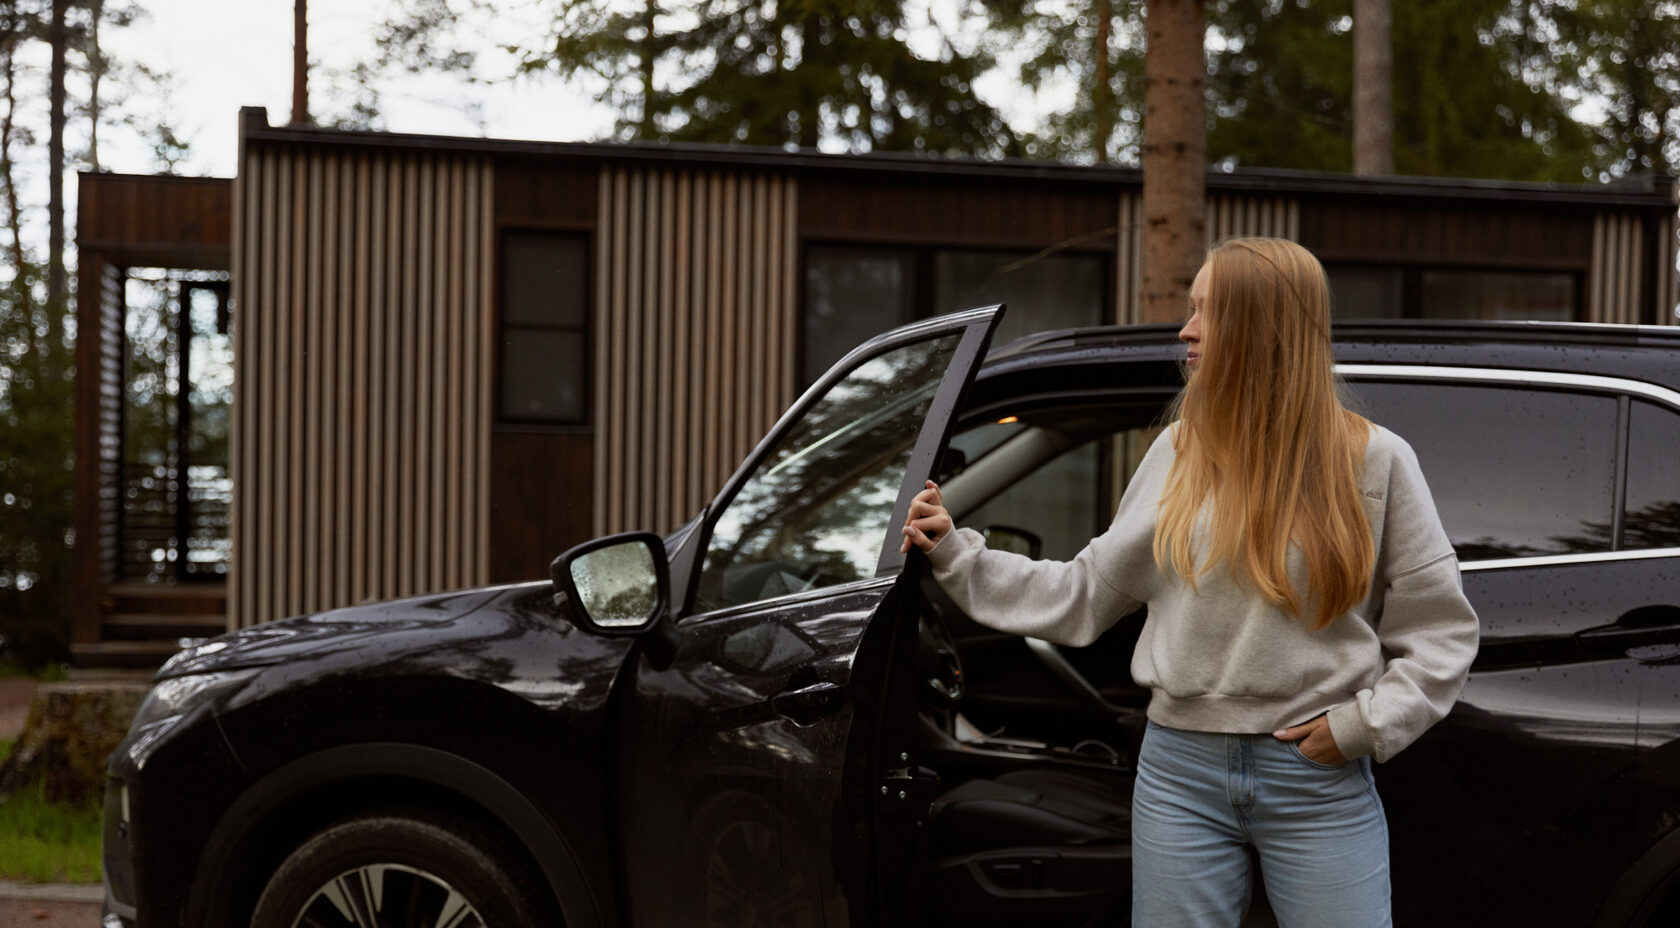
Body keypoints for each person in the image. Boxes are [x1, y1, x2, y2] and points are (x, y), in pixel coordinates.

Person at [898, 237, 1480, 928]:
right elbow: (1086, 594)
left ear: (1265, 327)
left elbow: (1442, 635)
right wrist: (956, 555)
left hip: (1315, 779)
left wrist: (1361, 726)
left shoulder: (1375, 461)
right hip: (1179, 774)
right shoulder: (1178, 453)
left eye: (1208, 310)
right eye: (1191, 308)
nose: (1186, 329)